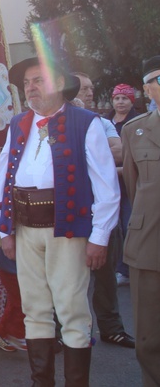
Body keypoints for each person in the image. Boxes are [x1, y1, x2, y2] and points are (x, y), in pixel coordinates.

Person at [0, 57, 119, 386]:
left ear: (60, 84)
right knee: (35, 310)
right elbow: (4, 179)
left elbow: (107, 186)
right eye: (26, 84)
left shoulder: (86, 122)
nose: (31, 88)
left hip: (67, 230)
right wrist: (4, 228)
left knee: (72, 311)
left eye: (38, 81)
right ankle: (42, 382)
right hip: (24, 228)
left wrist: (100, 237)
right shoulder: (18, 124)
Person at [75, 73, 135, 349]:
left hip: (104, 211)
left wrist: (83, 150)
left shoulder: (101, 122)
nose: (89, 93)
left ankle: (111, 327)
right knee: (68, 277)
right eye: (84, 88)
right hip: (70, 213)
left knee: (106, 274)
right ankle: (68, 331)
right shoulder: (57, 124)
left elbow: (120, 151)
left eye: (90, 88)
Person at [121, 55, 160, 387]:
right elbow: (134, 189)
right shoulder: (135, 131)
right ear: (147, 87)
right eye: (158, 80)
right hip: (150, 243)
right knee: (149, 338)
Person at [109, 84, 140, 287]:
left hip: (130, 183)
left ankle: (132, 268)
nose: (120, 102)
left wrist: (116, 171)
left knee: (130, 225)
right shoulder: (104, 122)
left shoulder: (137, 123)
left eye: (125, 98)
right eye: (117, 98)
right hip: (110, 185)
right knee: (114, 227)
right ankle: (120, 268)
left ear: (132, 101)